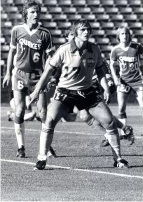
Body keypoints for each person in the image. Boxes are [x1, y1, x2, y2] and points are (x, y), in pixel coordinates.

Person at [29, 19, 130, 170]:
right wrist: (37, 90)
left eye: (88, 30)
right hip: (65, 93)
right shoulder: (63, 50)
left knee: (109, 121)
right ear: (75, 32)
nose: (86, 32)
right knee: (49, 120)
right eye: (83, 30)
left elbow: (100, 70)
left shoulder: (94, 49)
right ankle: (42, 158)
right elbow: (48, 71)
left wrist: (106, 88)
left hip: (87, 92)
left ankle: (118, 159)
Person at [2, 0, 55, 158]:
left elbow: (50, 56)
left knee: (43, 111)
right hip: (19, 74)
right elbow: (12, 52)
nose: (36, 14)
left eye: (37, 11)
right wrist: (7, 72)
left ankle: (46, 145)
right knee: (19, 110)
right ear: (25, 14)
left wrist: (50, 74)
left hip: (38, 76)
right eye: (32, 12)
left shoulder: (45, 33)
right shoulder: (17, 30)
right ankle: (21, 147)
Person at [64, 27, 134, 147]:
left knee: (88, 114)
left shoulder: (89, 48)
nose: (73, 37)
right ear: (67, 38)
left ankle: (111, 135)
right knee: (85, 115)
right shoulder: (66, 51)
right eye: (70, 35)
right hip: (79, 87)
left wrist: (109, 80)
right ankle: (122, 129)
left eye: (73, 34)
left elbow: (102, 64)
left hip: (93, 84)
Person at [110, 26, 143, 135]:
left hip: (138, 81)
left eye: (126, 33)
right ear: (118, 36)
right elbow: (112, 65)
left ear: (129, 35)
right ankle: (124, 132)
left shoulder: (137, 47)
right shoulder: (115, 50)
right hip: (123, 81)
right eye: (122, 34)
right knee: (121, 108)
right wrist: (115, 77)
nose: (125, 36)